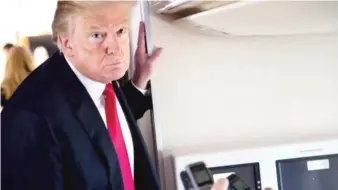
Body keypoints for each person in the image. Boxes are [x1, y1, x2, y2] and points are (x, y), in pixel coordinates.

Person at [1, 1, 227, 190]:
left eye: (120, 31)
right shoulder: (29, 120)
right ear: (66, 43)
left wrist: (139, 82)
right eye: (97, 35)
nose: (114, 47)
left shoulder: (100, 75)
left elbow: (99, 128)